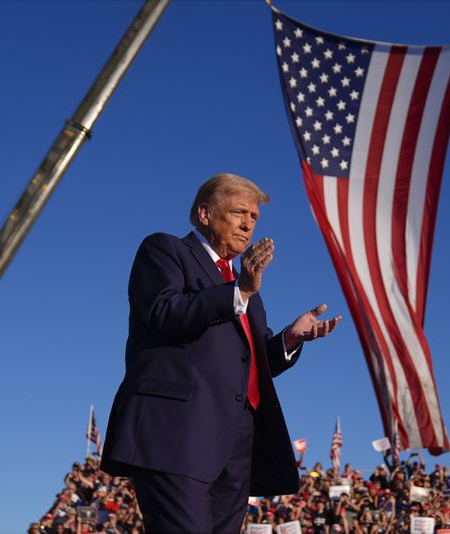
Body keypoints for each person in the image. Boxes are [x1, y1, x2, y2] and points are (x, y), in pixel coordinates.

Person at [101, 173, 341, 533]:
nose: (248, 225)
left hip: (235, 446)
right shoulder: (165, 250)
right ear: (204, 214)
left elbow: (251, 363)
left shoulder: (246, 290)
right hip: (176, 434)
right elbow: (164, 314)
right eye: (239, 212)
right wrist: (239, 291)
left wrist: (290, 338)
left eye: (254, 218)